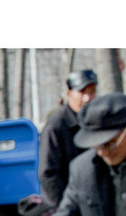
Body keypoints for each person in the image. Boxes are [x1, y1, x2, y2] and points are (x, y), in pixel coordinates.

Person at [38, 69, 98, 206]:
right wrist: (65, 208)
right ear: (69, 94)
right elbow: (48, 174)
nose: (87, 98)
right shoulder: (56, 127)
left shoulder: (97, 122)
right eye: (82, 92)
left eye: (92, 92)